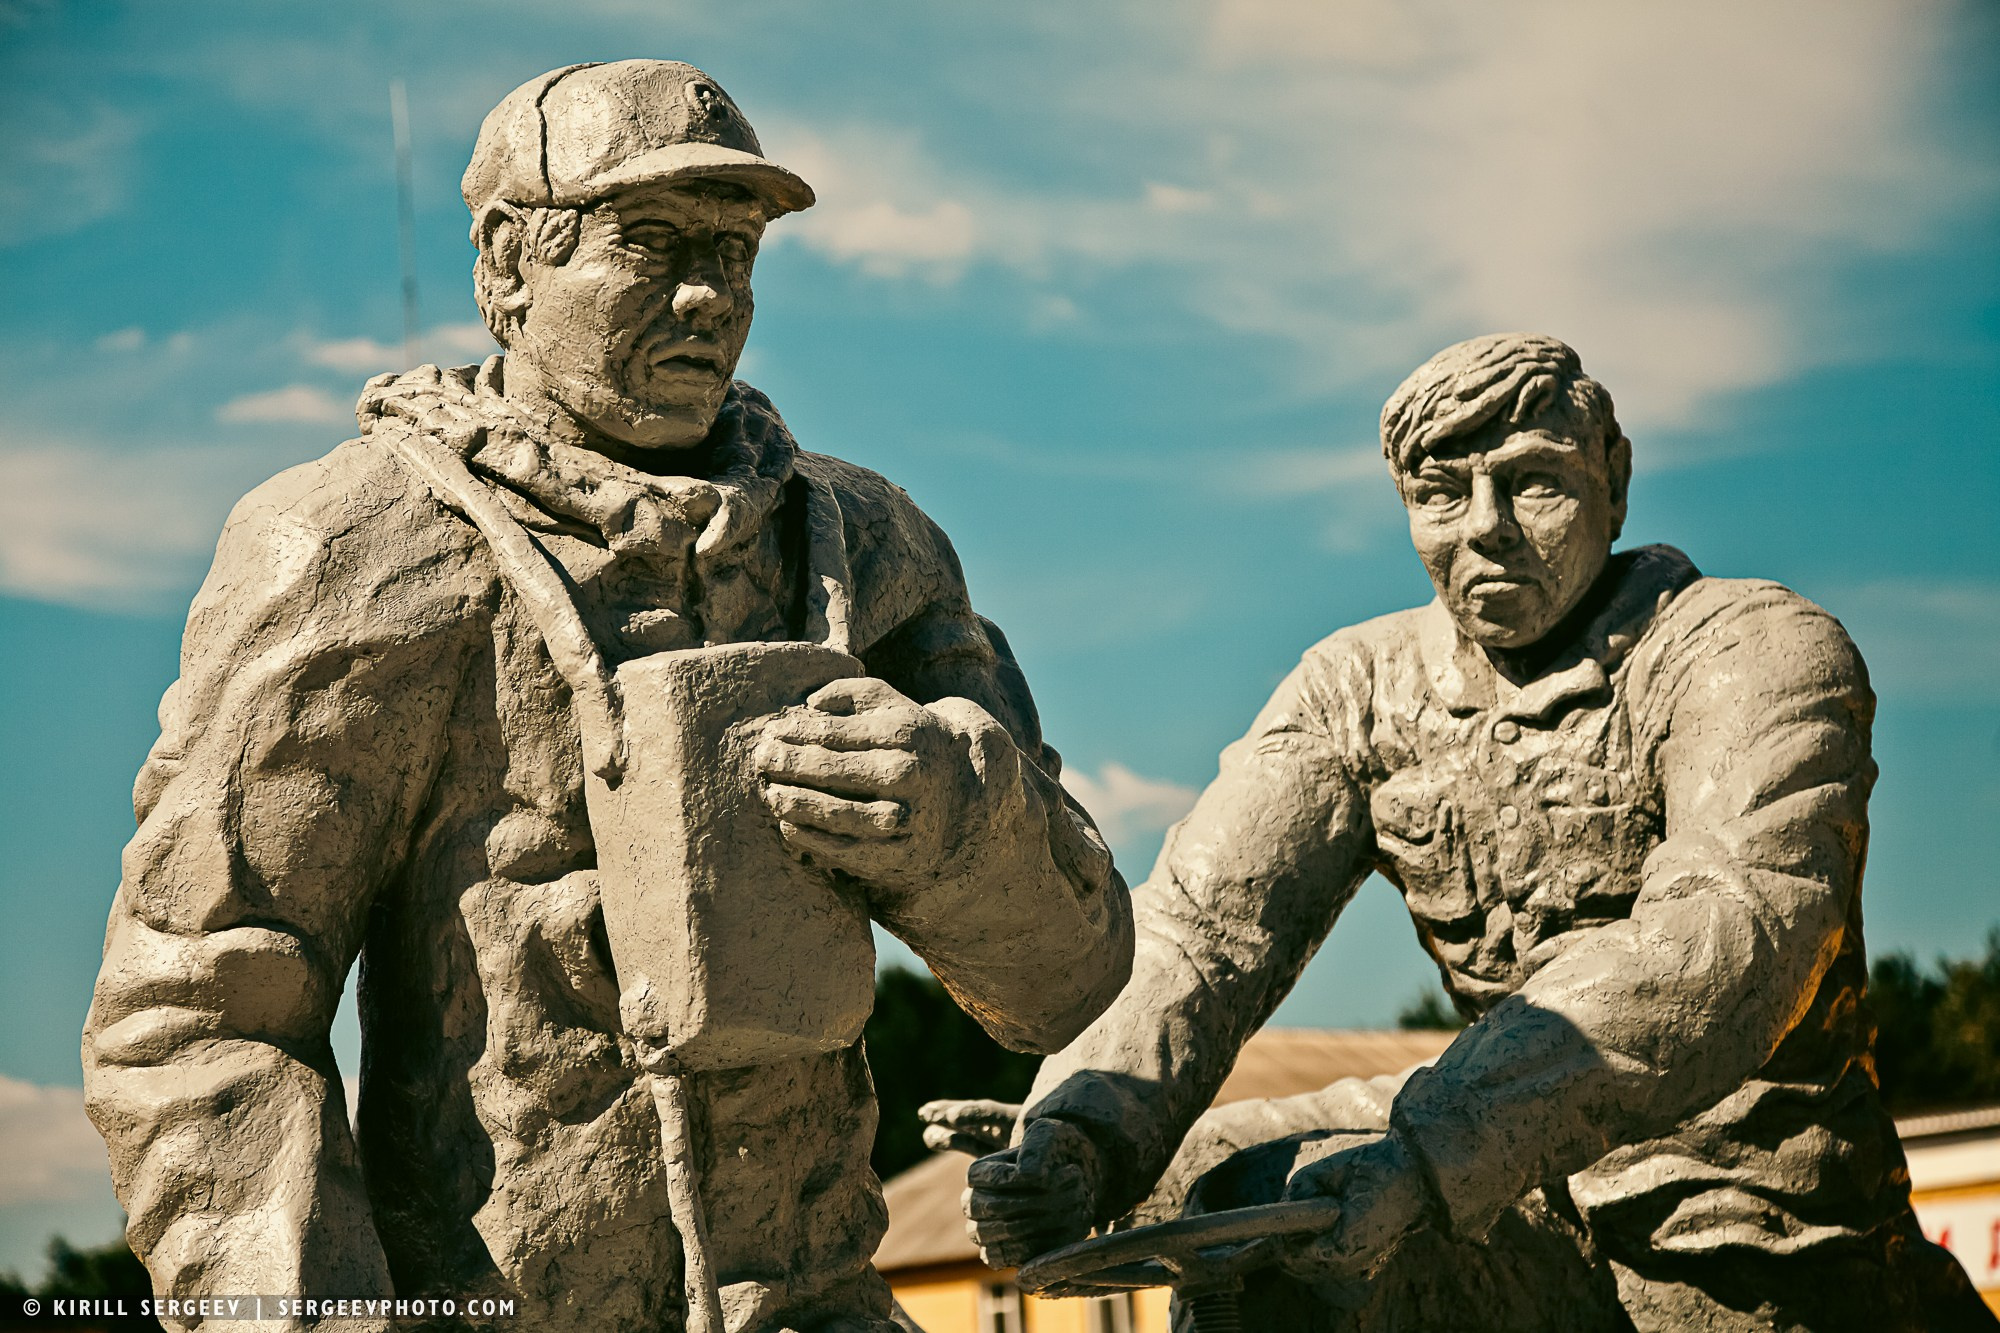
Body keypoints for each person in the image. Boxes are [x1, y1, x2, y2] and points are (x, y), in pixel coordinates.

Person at [83, 60, 1131, 1333]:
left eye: (733, 251)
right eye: (649, 241)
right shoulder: (356, 547)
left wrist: (961, 823)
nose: (708, 294)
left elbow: (1064, 980)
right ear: (506, 263)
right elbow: (201, 1018)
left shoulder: (863, 546)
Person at [933, 333, 1995, 1330]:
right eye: (1441, 492)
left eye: (1531, 481)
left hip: (1756, 1228)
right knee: (1238, 1187)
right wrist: (1081, 1127)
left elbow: (1723, 936)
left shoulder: (1746, 650)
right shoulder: (1359, 688)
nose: (1485, 526)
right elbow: (1200, 933)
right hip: (1521, 1195)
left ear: (1614, 479)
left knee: (1303, 1196)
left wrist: (1429, 1153)